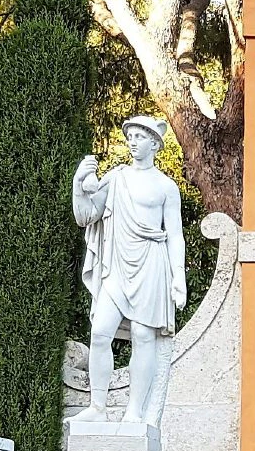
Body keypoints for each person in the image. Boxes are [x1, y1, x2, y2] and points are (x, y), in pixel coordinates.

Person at [72, 115, 186, 429]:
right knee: (99, 332)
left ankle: (134, 410)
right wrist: (79, 188)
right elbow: (87, 216)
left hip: (151, 263)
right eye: (130, 136)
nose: (133, 142)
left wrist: (179, 278)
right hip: (116, 263)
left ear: (154, 143)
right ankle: (98, 406)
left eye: (139, 136)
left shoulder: (166, 186)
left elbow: (175, 234)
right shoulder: (116, 177)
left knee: (142, 336)